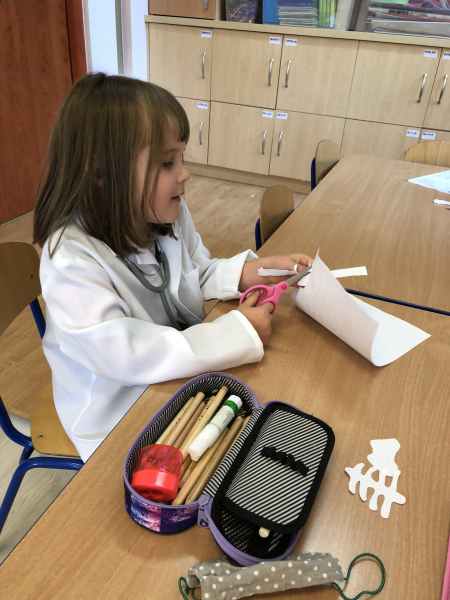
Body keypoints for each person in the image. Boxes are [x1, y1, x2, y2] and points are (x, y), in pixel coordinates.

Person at [33, 73, 312, 461]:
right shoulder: (70, 260)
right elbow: (126, 354)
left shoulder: (165, 214)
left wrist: (247, 273)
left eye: (181, 157)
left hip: (173, 375)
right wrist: (235, 332)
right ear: (102, 173)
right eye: (167, 162)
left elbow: (194, 273)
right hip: (116, 410)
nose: (184, 173)